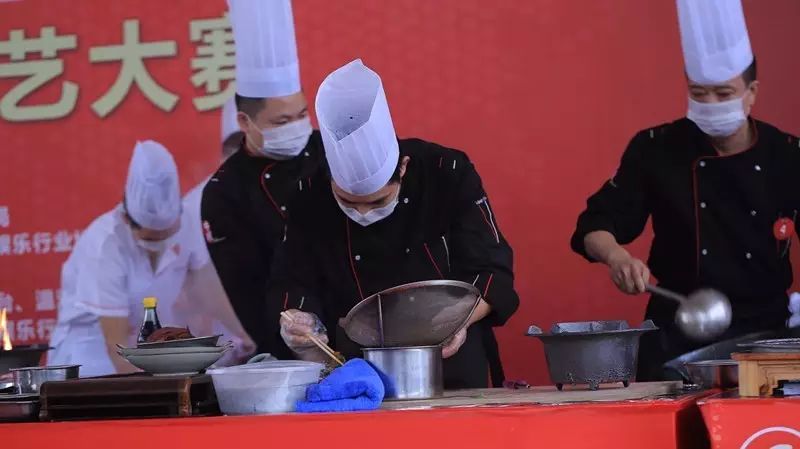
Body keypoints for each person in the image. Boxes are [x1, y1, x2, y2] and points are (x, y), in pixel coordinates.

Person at [571, 0, 800, 381]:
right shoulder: (656, 147)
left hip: (768, 331)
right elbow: (595, 224)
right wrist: (617, 258)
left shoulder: (788, 155)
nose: (710, 105)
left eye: (723, 94)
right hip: (679, 325)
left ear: (752, 92)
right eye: (699, 93)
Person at [268, 59, 519, 389]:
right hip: (351, 371)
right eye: (348, 203)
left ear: (402, 169)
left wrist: (457, 323)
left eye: (376, 202)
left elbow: (493, 273)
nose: (362, 213)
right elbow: (291, 283)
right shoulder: (308, 194)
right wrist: (300, 322)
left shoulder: (446, 172)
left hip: (450, 364)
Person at [49, 141, 250, 376]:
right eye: (151, 240)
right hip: (92, 362)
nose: (160, 247)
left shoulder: (185, 222)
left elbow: (206, 288)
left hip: (145, 355)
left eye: (166, 236)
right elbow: (116, 347)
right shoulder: (103, 245)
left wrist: (244, 336)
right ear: (127, 220)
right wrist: (151, 388)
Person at [201, 0, 325, 354]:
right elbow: (248, 291)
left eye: (302, 114)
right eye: (282, 122)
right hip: (296, 345)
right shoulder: (224, 193)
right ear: (245, 123)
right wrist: (300, 343)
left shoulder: (331, 149)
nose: (298, 128)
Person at [177, 96, 255, 365]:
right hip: (221, 348)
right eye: (233, 146)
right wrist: (249, 335)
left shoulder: (285, 191)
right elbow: (203, 285)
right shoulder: (194, 207)